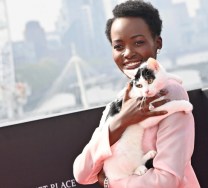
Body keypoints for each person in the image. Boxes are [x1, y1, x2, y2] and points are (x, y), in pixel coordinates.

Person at [73, 1, 200, 187]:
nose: (128, 53)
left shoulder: (169, 95)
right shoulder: (118, 103)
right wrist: (120, 121)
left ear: (157, 43)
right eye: (118, 47)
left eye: (138, 42)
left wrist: (110, 183)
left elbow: (166, 181)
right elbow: (82, 173)